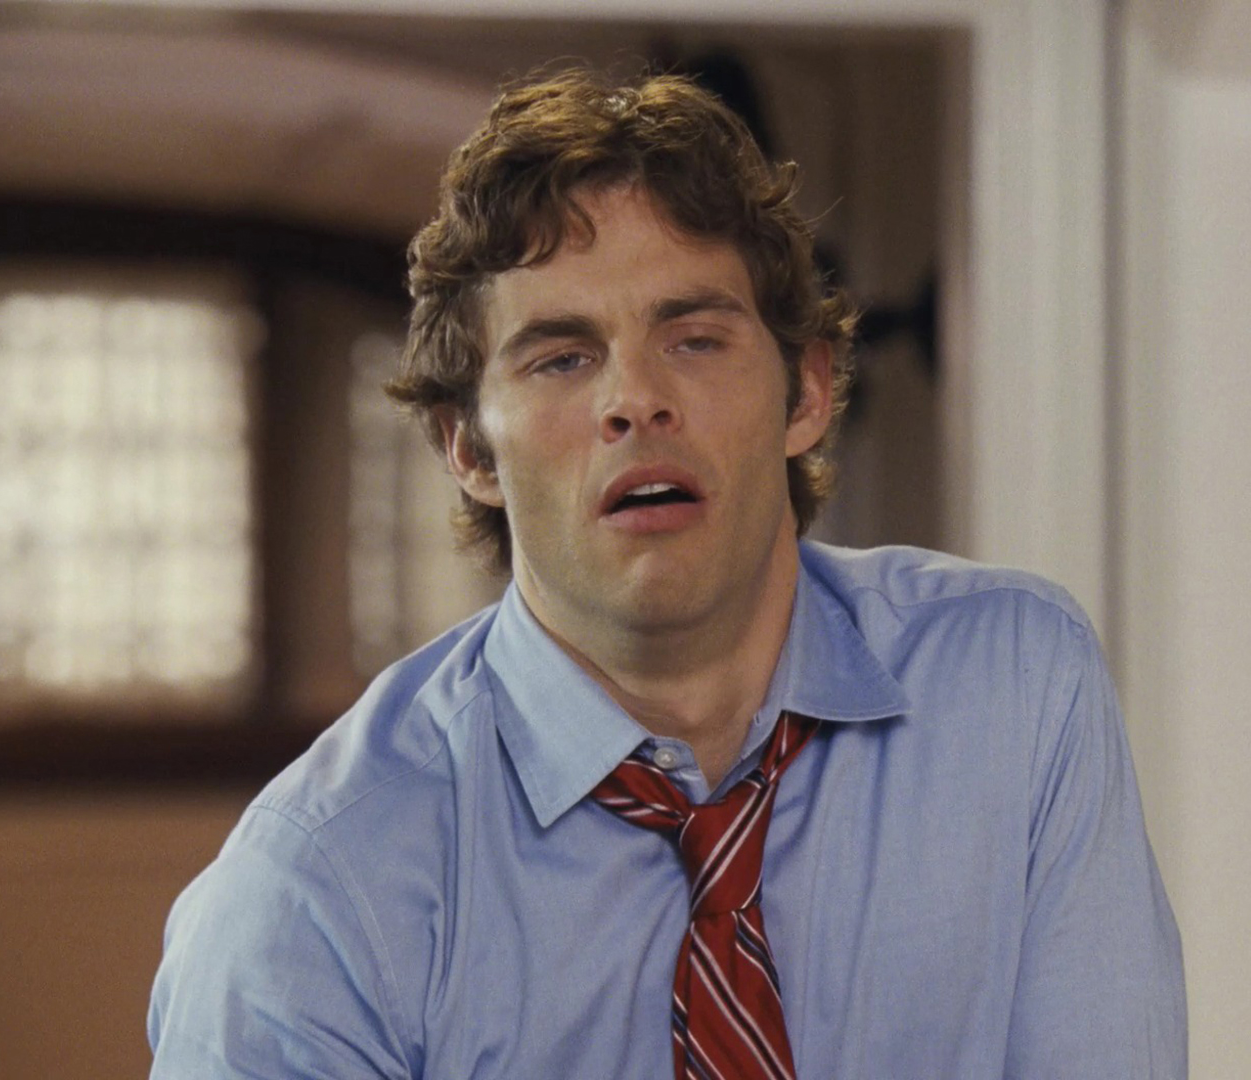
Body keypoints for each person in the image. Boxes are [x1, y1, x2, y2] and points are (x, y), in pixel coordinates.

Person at [148, 67, 1185, 1079]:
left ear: (806, 394)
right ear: (468, 450)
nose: (635, 399)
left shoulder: (1013, 687)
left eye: (694, 340)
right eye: (562, 357)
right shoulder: (314, 892)